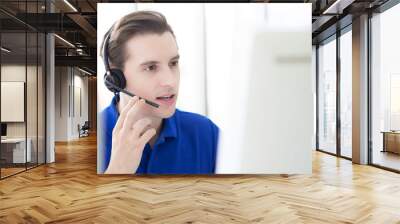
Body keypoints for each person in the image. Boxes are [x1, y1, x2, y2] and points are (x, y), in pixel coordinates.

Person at [99, 11, 219, 174]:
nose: (170, 81)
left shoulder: (206, 133)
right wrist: (118, 170)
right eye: (150, 67)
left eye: (173, 63)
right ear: (115, 78)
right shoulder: (95, 138)